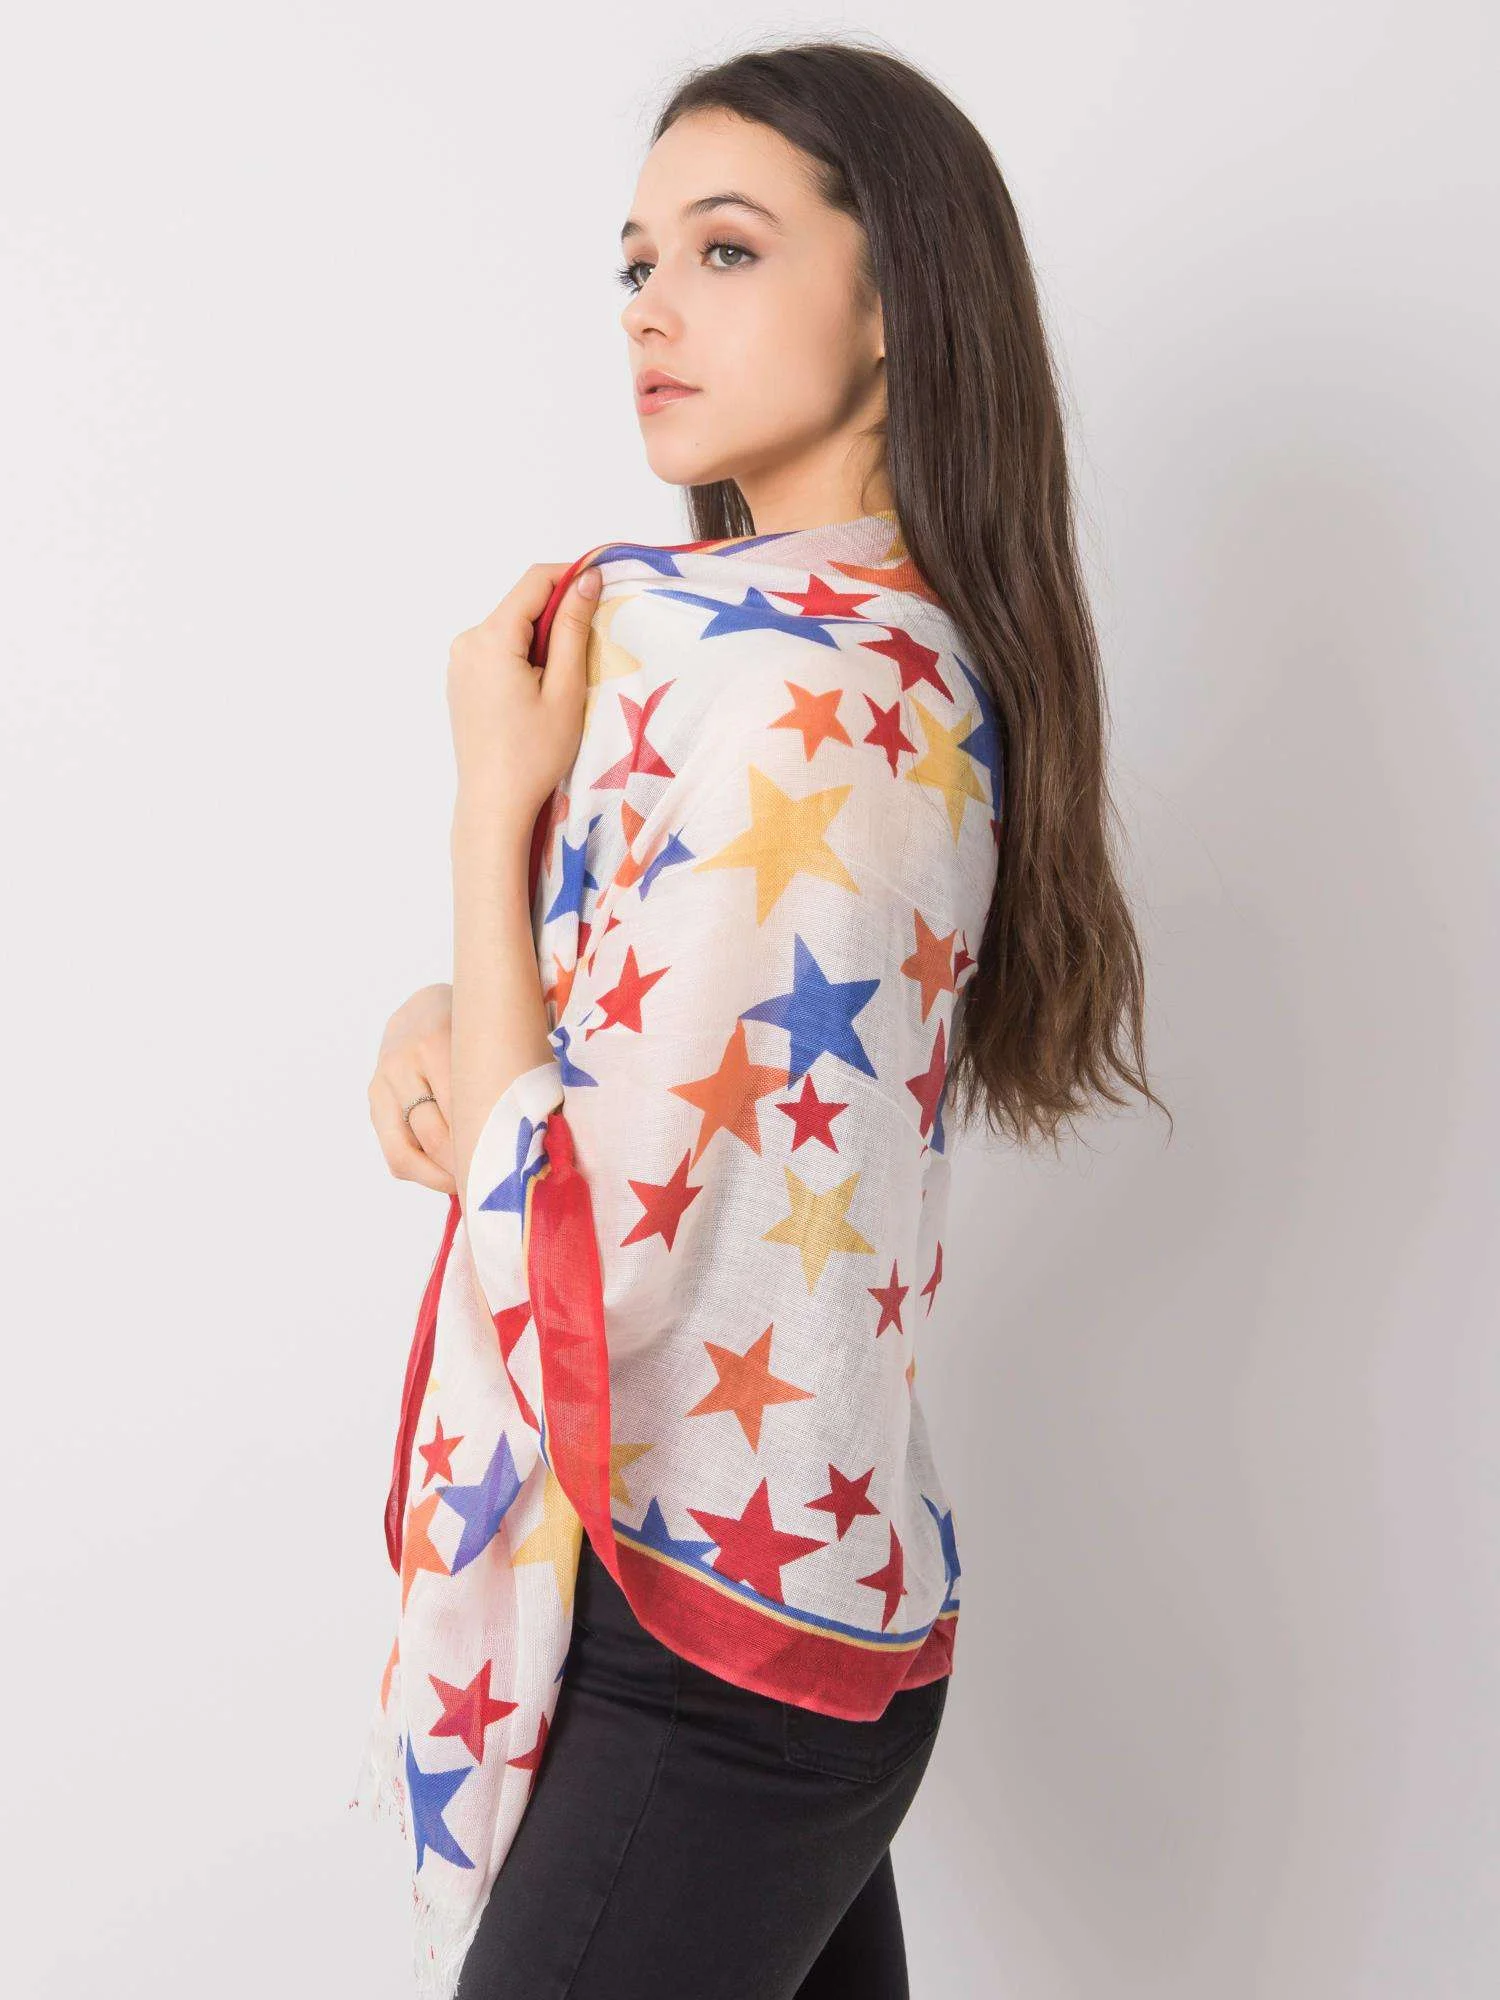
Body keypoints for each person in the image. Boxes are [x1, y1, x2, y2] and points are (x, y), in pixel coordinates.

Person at [358, 38, 1168, 2000]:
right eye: (634, 263)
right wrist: (457, 994)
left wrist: (486, 809)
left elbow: (594, 1243)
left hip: (702, 1637)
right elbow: (641, 1046)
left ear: (898, 300)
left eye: (725, 250)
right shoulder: (776, 653)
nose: (651, 307)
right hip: (752, 1579)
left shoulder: (820, 707)